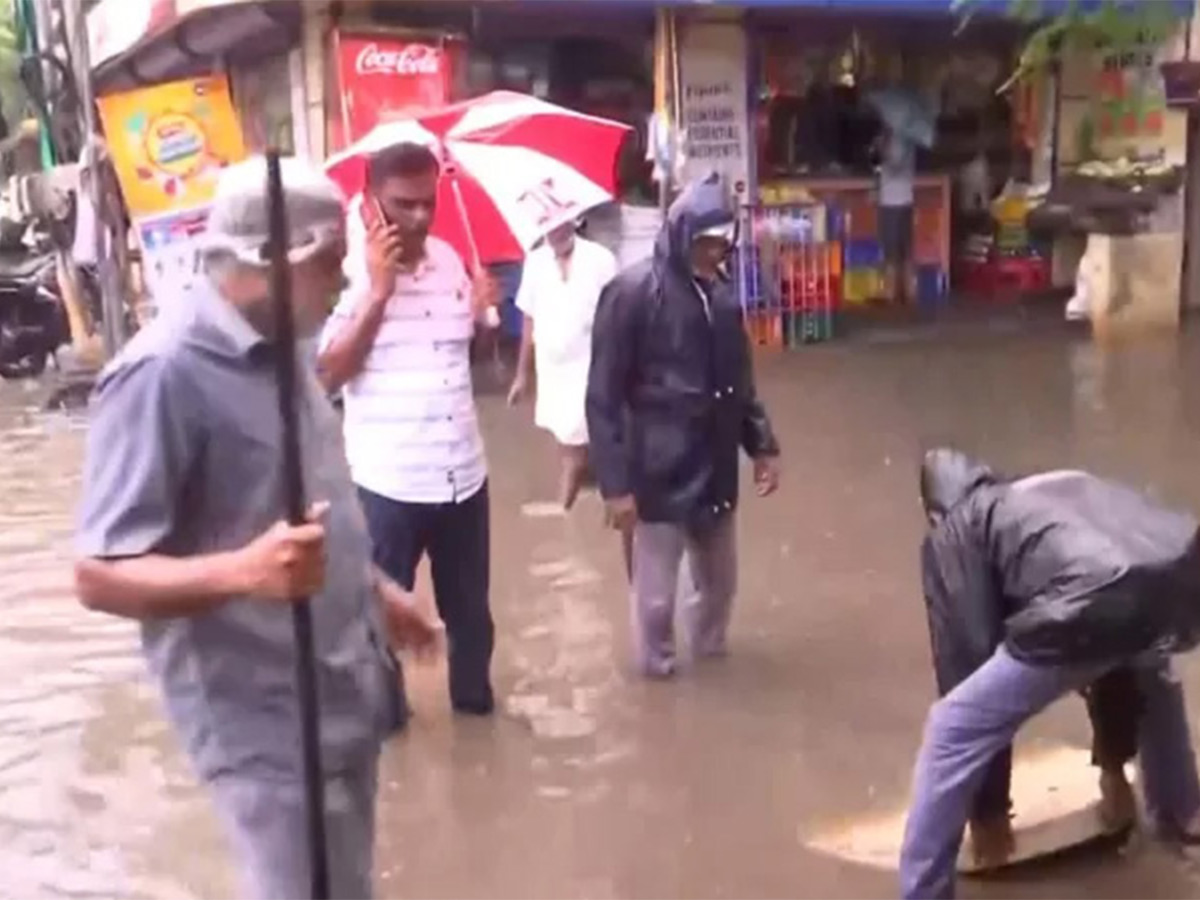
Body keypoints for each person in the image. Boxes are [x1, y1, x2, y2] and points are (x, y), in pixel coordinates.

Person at [73, 157, 441, 899]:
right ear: (275, 258)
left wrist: (372, 592)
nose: (344, 279)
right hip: (262, 724)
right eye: (332, 262)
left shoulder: (289, 345)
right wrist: (243, 573)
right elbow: (98, 574)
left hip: (342, 688)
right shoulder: (162, 374)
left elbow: (294, 506)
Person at [902, 447, 1200, 899]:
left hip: (1097, 598)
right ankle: (1182, 820)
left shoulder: (960, 526)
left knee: (952, 728)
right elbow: (1118, 613)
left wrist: (988, 810)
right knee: (1145, 660)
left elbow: (967, 655)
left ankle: (923, 893)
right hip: (1177, 572)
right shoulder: (1052, 488)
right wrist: (1113, 769)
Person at [318, 142, 498, 716]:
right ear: (371, 202)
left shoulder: (450, 260)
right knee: (381, 621)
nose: (419, 217)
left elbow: (464, 366)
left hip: (464, 477)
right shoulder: (343, 273)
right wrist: (378, 293)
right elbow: (327, 376)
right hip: (388, 484)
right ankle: (387, 727)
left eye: (429, 202)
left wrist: (479, 319)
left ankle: (476, 719)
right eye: (404, 205)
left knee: (472, 617)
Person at [586, 173, 781, 678]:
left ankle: (710, 664)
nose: (716, 254)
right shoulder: (630, 294)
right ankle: (658, 671)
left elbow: (740, 382)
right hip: (656, 470)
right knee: (654, 602)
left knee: (721, 586)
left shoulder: (721, 298)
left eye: (722, 244)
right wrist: (615, 486)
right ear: (681, 235)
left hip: (714, 464)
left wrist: (762, 446)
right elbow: (602, 396)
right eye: (706, 243)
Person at [508, 219, 617, 511]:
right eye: (550, 226)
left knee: (575, 446)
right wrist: (521, 375)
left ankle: (562, 509)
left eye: (561, 224)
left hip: (590, 364)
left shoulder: (600, 259)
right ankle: (588, 494)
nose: (556, 232)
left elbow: (617, 312)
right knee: (563, 435)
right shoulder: (536, 262)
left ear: (576, 221)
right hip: (552, 367)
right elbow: (529, 319)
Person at [877, 124, 916, 305]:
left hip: (892, 201)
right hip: (906, 199)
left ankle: (891, 293)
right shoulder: (910, 140)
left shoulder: (896, 142)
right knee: (906, 250)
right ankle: (909, 291)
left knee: (891, 250)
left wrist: (882, 149)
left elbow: (893, 167)